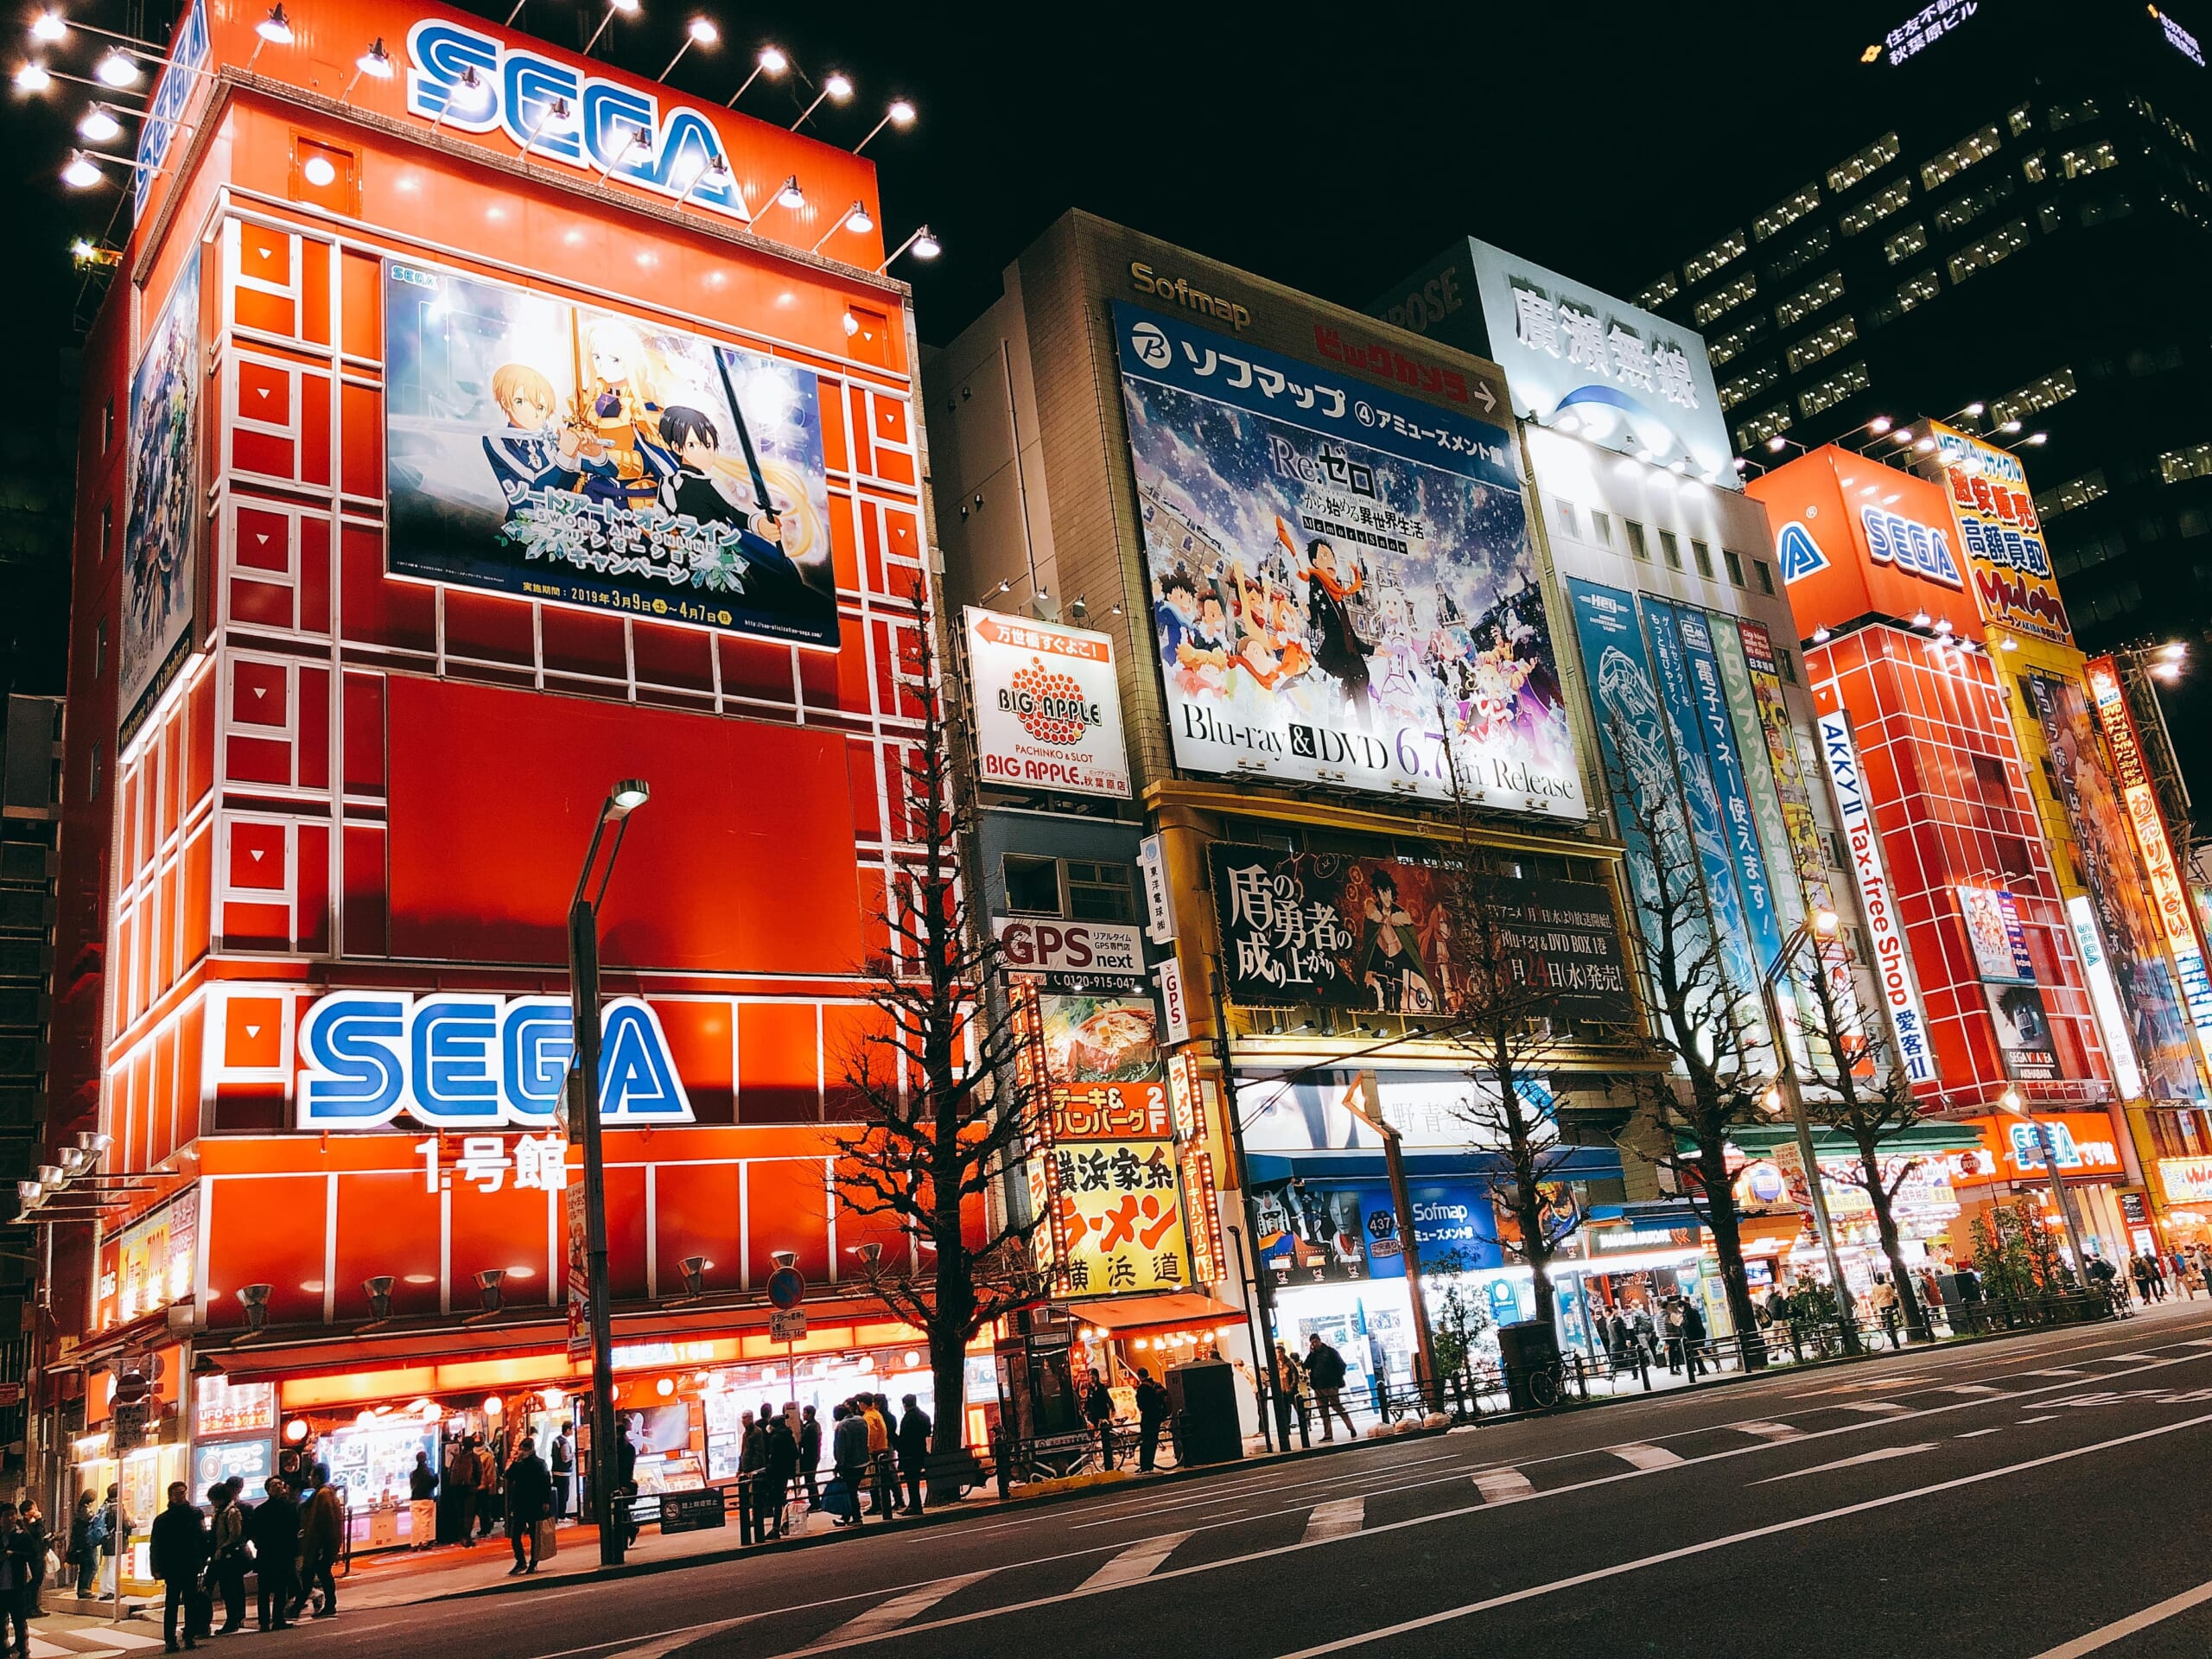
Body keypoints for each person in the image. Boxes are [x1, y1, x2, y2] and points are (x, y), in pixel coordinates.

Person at [149, 1482, 208, 1654]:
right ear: (171, 1496)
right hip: (172, 1566)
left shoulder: (195, 1514)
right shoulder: (163, 1519)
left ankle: (189, 1635)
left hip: (191, 1564)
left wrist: (203, 1559)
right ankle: (170, 1639)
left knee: (191, 1602)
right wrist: (156, 1568)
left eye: (183, 1492)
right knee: (172, 1603)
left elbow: (202, 1538)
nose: (181, 1496)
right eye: (177, 1493)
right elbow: (156, 1545)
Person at [247, 1478, 298, 1632]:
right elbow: (253, 1532)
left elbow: (295, 1529)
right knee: (264, 1590)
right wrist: (260, 1544)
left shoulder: (290, 1507)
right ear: (268, 1489)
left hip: (282, 1553)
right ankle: (264, 1621)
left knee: (281, 1589)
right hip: (268, 1554)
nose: (277, 1487)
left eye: (280, 1484)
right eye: (273, 1485)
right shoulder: (261, 1510)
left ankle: (278, 1619)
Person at [503, 1433, 552, 1576]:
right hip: (520, 1503)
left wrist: (545, 1501)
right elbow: (508, 1476)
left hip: (534, 1503)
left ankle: (533, 1562)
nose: (523, 1452)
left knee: (535, 1535)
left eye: (524, 1449)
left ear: (530, 1449)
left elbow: (545, 1484)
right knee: (515, 1535)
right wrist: (515, 1461)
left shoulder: (539, 1463)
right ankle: (521, 1561)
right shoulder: (520, 1464)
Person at [204, 1483, 248, 1636]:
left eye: (213, 1500)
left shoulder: (232, 1512)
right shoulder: (220, 1512)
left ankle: (233, 1620)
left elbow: (235, 1534)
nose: (212, 1503)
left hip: (229, 1557)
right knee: (226, 1588)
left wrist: (221, 1549)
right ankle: (233, 1619)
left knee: (230, 1589)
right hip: (221, 1556)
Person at [296, 1472, 341, 1619]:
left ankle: (329, 1605)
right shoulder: (324, 1493)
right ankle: (308, 1603)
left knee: (322, 1573)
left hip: (322, 1543)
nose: (310, 1478)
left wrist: (322, 1545)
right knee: (316, 1573)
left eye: (312, 1476)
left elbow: (324, 1521)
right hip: (322, 1542)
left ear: (317, 1477)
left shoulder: (323, 1494)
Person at [1304, 1335, 1356, 1441]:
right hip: (1318, 1386)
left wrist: (1336, 1379)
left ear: (1319, 1341)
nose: (1314, 1344)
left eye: (1315, 1342)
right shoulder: (1313, 1355)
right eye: (1312, 1343)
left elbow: (1341, 1365)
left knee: (1337, 1407)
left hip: (1330, 1385)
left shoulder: (1330, 1352)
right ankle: (1328, 1434)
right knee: (1323, 1411)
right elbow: (1306, 1365)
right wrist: (1311, 1354)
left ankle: (1350, 1427)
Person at [830, 1403, 870, 1529]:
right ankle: (847, 1516)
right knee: (852, 1489)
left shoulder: (842, 1426)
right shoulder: (861, 1420)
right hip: (863, 1460)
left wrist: (839, 1464)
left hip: (851, 1464)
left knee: (851, 1491)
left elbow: (841, 1448)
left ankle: (856, 1517)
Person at [763, 1409, 799, 1539]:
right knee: (780, 1500)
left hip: (776, 1473)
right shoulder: (789, 1436)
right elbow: (796, 1454)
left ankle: (775, 1528)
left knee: (773, 1500)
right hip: (786, 1472)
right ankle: (780, 1526)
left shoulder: (775, 1438)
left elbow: (772, 1457)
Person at [895, 1395, 931, 1516]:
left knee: (912, 1481)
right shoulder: (923, 1416)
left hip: (909, 1455)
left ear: (905, 1405)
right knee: (914, 1480)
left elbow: (904, 1440)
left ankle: (915, 1505)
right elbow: (928, 1432)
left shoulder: (907, 1419)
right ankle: (914, 1505)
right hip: (920, 1451)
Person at [0, 1503, 28, 1659]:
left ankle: (23, 1649)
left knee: (19, 1620)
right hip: (1, 1586)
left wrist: (13, 1554)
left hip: (16, 1585)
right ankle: (3, 1648)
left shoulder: (22, 1535)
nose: (10, 1518)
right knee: (1, 1620)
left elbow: (32, 1555)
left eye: (13, 1515)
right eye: (6, 1515)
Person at [863, 1395, 895, 1519]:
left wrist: (869, 1449)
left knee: (878, 1479)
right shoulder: (878, 1414)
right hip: (884, 1448)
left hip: (876, 1451)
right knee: (888, 1476)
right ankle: (890, 1503)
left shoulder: (869, 1416)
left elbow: (871, 1435)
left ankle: (880, 1505)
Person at [1271, 1343, 1308, 1451]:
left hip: (1290, 1390)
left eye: (1279, 1353)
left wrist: (1292, 1387)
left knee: (1297, 1407)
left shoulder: (1289, 1363)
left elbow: (1295, 1376)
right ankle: (1286, 1429)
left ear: (1283, 1353)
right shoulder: (1275, 1364)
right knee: (1284, 1410)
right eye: (1276, 1353)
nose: (1278, 1355)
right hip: (1281, 1390)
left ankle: (1304, 1426)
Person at [1133, 1370, 1171, 1473]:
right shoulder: (1155, 1384)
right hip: (1157, 1417)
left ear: (1140, 1376)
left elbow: (1141, 1404)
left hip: (1147, 1417)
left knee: (1145, 1441)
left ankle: (1145, 1466)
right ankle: (1150, 1466)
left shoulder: (1142, 1388)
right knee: (1153, 1441)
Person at [447, 1435, 481, 1548]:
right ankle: (467, 1537)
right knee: (469, 1514)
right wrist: (476, 1484)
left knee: (460, 1513)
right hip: (469, 1488)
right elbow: (478, 1473)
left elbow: (450, 1473)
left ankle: (461, 1536)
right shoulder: (474, 1457)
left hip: (456, 1489)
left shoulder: (457, 1457)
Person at [16, 1500, 48, 1622]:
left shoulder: (34, 1523)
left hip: (39, 1556)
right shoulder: (22, 1525)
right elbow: (35, 1537)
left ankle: (35, 1607)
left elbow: (42, 1535)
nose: (36, 1510)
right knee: (32, 1584)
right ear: (26, 1512)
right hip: (31, 1558)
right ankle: (29, 1608)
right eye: (33, 1508)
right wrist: (38, 1521)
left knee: (38, 1582)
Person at [736, 1411, 765, 1546]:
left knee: (754, 1496)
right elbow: (743, 1452)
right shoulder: (746, 1434)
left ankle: (756, 1518)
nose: (743, 1421)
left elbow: (759, 1452)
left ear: (751, 1418)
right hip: (746, 1470)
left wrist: (754, 1469)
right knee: (746, 1497)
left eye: (745, 1418)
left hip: (753, 1471)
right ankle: (751, 1519)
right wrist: (740, 1468)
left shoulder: (756, 1433)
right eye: (742, 1418)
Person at [1080, 1368, 1117, 1471]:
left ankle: (1108, 1462)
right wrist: (1084, 1411)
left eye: (1093, 1376)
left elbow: (1108, 1399)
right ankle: (1095, 1455)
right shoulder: (1089, 1389)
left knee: (1105, 1439)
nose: (1091, 1378)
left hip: (1102, 1416)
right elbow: (1088, 1402)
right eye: (1089, 1376)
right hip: (1093, 1416)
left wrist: (1113, 1409)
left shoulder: (1102, 1388)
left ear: (1097, 1377)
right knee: (1094, 1436)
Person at [99, 1484, 129, 1601]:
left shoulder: (106, 1505)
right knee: (113, 1566)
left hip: (107, 1540)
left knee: (107, 1566)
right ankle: (112, 1590)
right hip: (115, 1540)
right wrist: (133, 1524)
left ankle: (104, 1591)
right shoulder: (117, 1507)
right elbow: (124, 1524)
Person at [68, 1491, 98, 1598]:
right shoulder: (87, 1512)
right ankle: (85, 1590)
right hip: (87, 1544)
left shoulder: (80, 1510)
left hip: (82, 1544)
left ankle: (82, 1589)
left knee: (85, 1567)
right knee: (91, 1566)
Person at [798, 1406, 823, 1510]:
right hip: (814, 1455)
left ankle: (815, 1502)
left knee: (810, 1480)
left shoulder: (809, 1427)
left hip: (809, 1456)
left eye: (804, 1413)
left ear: (810, 1414)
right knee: (810, 1479)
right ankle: (815, 1502)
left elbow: (802, 1442)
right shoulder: (815, 1425)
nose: (803, 1415)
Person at [549, 1423, 574, 1522]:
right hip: (564, 1472)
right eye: (571, 1429)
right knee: (564, 1494)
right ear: (567, 1430)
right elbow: (565, 1458)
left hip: (556, 1471)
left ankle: (558, 1514)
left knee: (558, 1494)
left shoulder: (556, 1440)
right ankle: (562, 1515)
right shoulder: (564, 1442)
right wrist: (573, 1455)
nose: (572, 1431)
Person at [1680, 1297, 1709, 1379]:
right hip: (1699, 1333)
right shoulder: (1693, 1311)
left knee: (1695, 1352)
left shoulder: (1687, 1314)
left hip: (1693, 1335)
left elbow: (1688, 1325)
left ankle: (1702, 1369)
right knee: (1700, 1350)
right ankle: (1705, 1367)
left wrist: (1682, 1324)